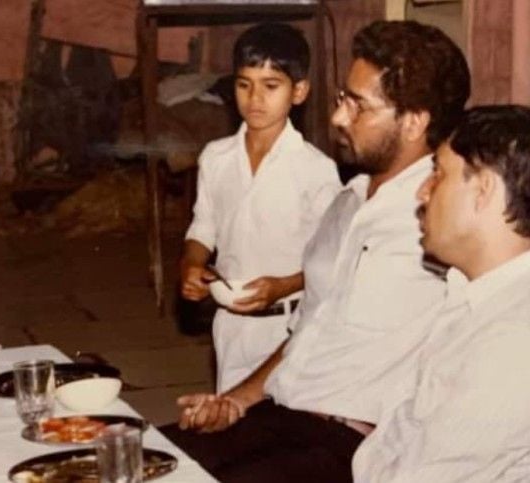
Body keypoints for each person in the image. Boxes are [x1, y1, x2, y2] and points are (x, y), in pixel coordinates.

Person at [162, 20, 470, 482]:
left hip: (351, 442)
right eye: (343, 98)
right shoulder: (349, 200)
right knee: (137, 458)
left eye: (358, 105)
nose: (338, 117)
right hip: (282, 409)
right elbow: (309, 326)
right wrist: (237, 400)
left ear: (413, 121)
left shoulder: (443, 220)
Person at [353, 105, 530, 482]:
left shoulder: (514, 339)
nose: (422, 191)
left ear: (483, 190)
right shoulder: (475, 295)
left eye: (438, 174)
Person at [180, 22, 341, 392]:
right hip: (230, 324)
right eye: (244, 84)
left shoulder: (315, 169)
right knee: (232, 414)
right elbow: (204, 227)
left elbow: (334, 260)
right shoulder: (216, 158)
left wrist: (284, 286)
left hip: (291, 326)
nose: (255, 98)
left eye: (270, 86)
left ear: (298, 91)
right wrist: (191, 263)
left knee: (283, 421)